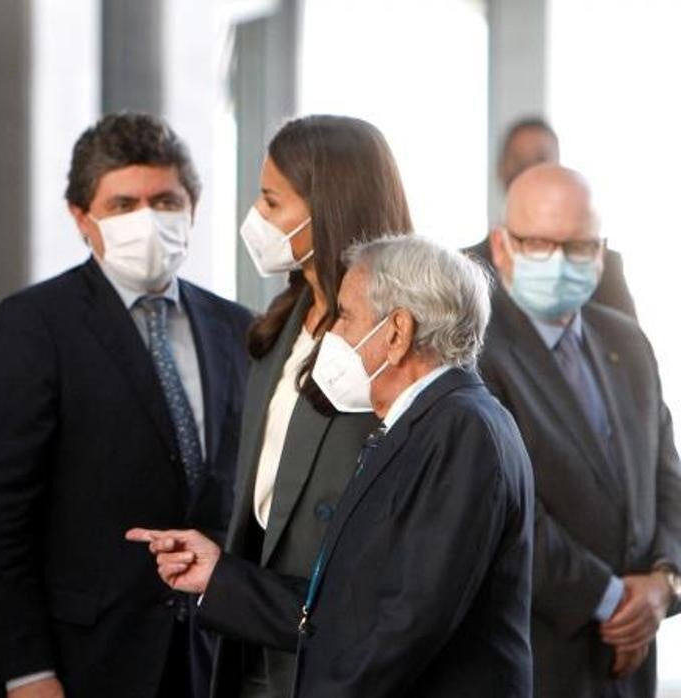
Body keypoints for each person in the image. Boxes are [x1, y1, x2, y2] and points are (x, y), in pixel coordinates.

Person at [130, 235, 535, 698]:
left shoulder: (461, 429)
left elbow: (402, 626)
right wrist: (221, 576)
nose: (330, 335)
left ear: (397, 332)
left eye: (344, 315)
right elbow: (350, 608)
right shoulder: (423, 424)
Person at [0, 112, 253, 698]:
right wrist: (26, 670)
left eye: (165, 200)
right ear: (81, 218)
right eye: (123, 205)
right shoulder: (34, 326)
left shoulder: (238, 329)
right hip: (75, 662)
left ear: (192, 205)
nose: (147, 219)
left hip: (205, 657)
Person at [205, 114, 412, 697]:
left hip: (336, 647)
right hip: (256, 630)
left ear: (329, 208)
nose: (257, 219)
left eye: (273, 202)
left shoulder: (396, 337)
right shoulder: (287, 316)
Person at [478, 163, 681, 698]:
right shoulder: (475, 354)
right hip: (538, 660)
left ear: (601, 251)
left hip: (631, 663)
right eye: (540, 244)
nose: (561, 263)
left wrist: (664, 585)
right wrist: (611, 599)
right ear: (501, 247)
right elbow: (506, 510)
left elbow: (668, 479)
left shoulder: (628, 341)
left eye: (579, 247)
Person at [469, 115, 636, 317]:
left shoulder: (602, 265)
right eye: (536, 243)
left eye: (540, 159)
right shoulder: (465, 269)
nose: (528, 169)